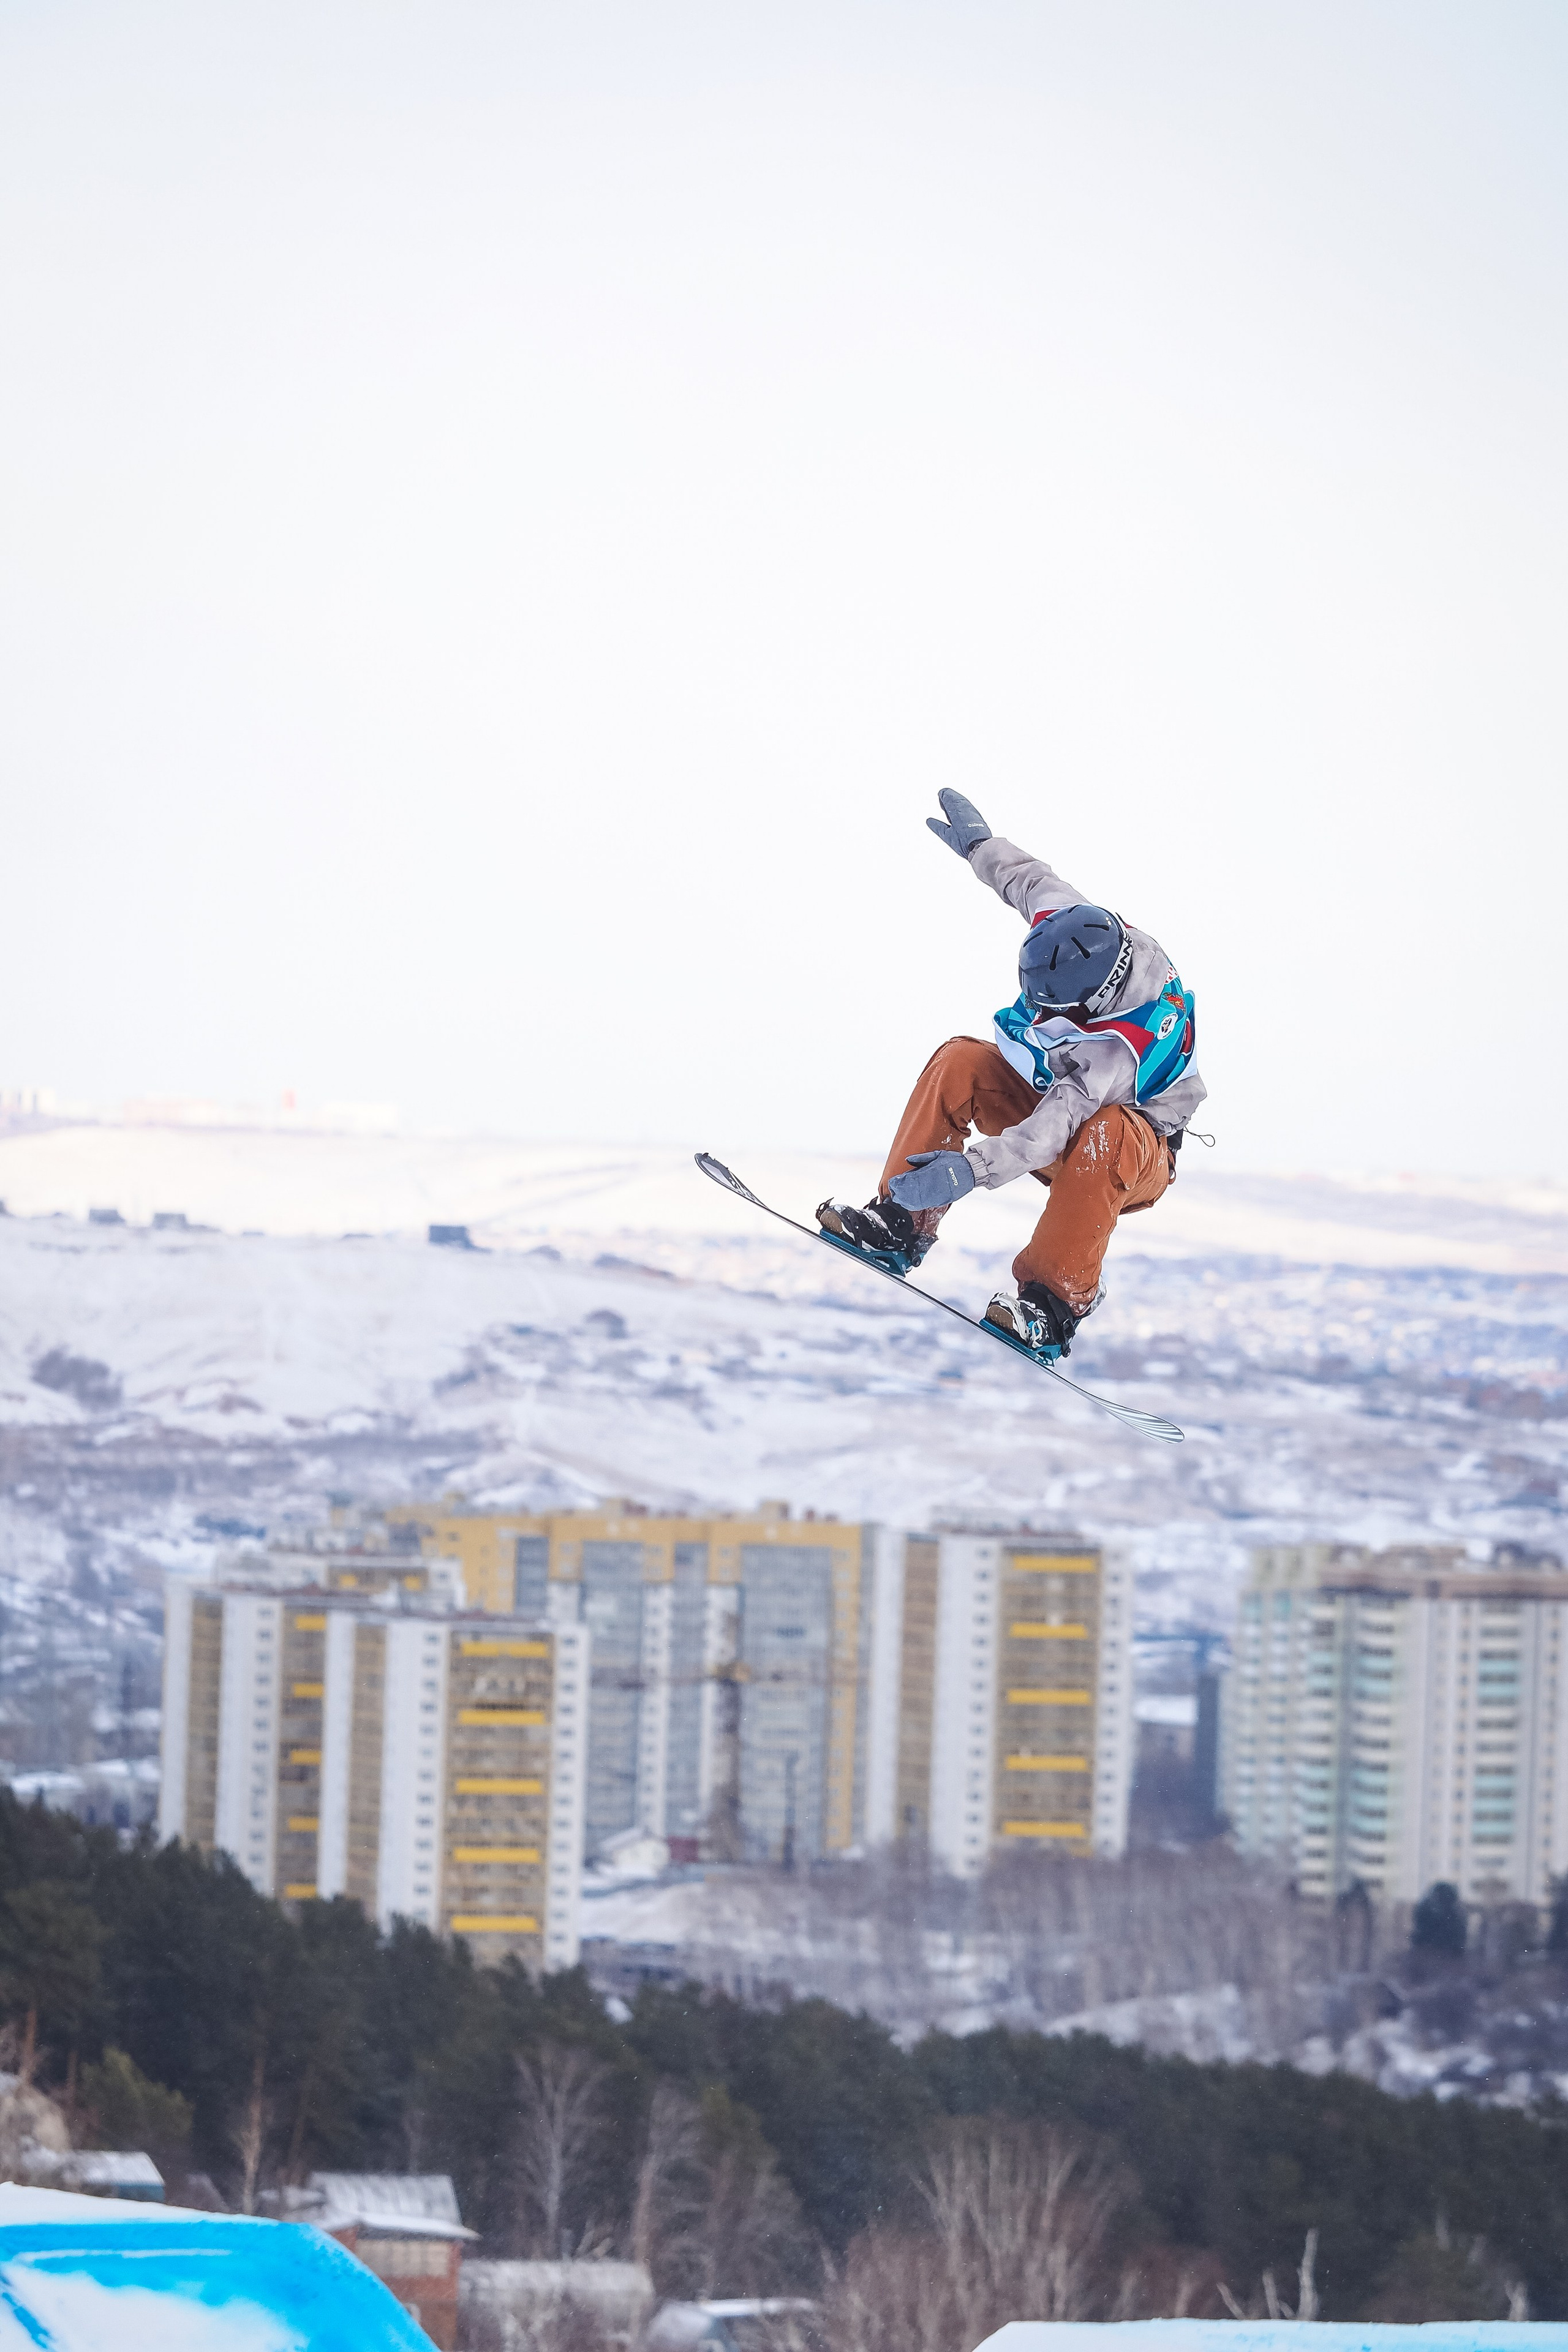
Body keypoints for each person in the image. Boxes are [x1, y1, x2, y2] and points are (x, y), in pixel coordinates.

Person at [818, 790, 1206, 1359]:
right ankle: (901, 1220)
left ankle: (1054, 1303)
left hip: (1131, 1156)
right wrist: (980, 846)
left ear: (1092, 1003)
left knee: (1108, 1133)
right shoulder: (1080, 927)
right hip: (1065, 1118)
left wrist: (970, 1170)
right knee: (962, 1060)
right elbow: (1026, 879)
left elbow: (1047, 1133)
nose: (1042, 1015)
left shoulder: (1117, 1050)